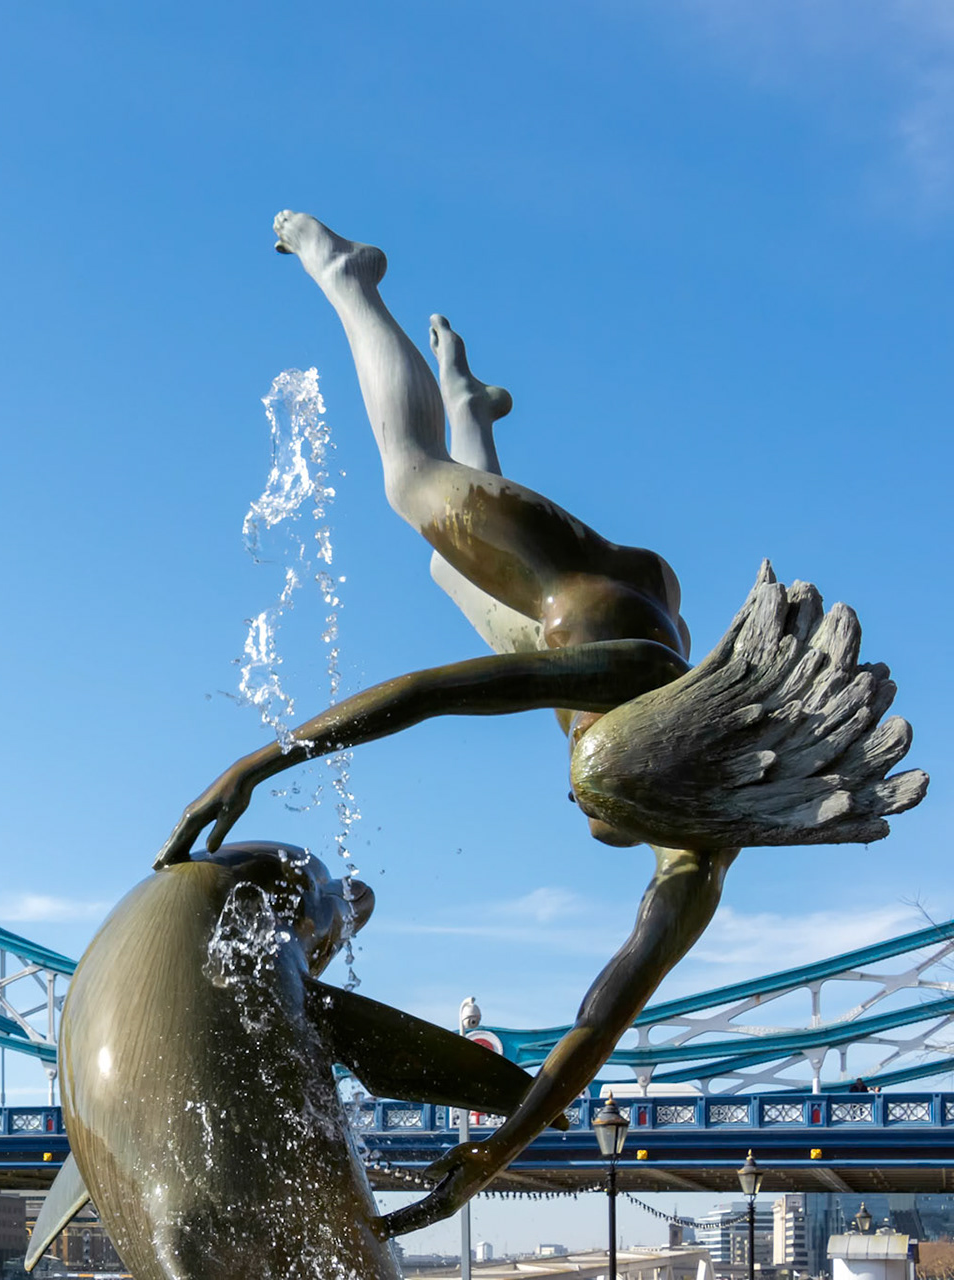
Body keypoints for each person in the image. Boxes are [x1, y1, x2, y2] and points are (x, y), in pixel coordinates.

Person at [155, 210, 925, 1238]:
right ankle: (349, 274)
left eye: (591, 794)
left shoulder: (696, 857)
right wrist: (258, 761)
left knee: (443, 563)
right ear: (652, 717)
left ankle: (472, 404)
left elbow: (597, 1023)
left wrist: (495, 1149)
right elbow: (430, 691)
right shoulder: (634, 668)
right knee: (407, 478)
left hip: (595, 620)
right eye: (587, 776)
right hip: (592, 587)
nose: (569, 791)